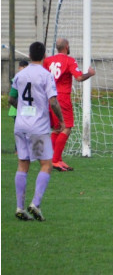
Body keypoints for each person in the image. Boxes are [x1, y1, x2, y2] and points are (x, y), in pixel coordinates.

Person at [9, 42, 65, 221]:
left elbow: (11, 98)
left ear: (30, 54)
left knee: (23, 164)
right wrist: (61, 121)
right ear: (44, 56)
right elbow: (54, 101)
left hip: (20, 125)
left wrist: (23, 110)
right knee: (46, 165)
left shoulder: (20, 75)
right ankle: (35, 204)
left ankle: (19, 207)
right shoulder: (46, 76)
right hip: (37, 127)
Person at [43, 37, 96, 171]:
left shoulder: (48, 61)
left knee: (56, 129)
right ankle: (55, 160)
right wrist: (89, 74)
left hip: (50, 97)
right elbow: (78, 78)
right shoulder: (69, 60)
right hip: (62, 98)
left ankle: (55, 159)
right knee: (67, 128)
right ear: (66, 46)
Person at [9, 60, 29, 152]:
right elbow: (12, 97)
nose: (24, 70)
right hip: (16, 109)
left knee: (25, 129)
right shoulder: (16, 79)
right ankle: (18, 149)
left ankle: (23, 149)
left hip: (24, 109)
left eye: (26, 68)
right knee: (20, 130)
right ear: (19, 68)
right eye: (23, 68)